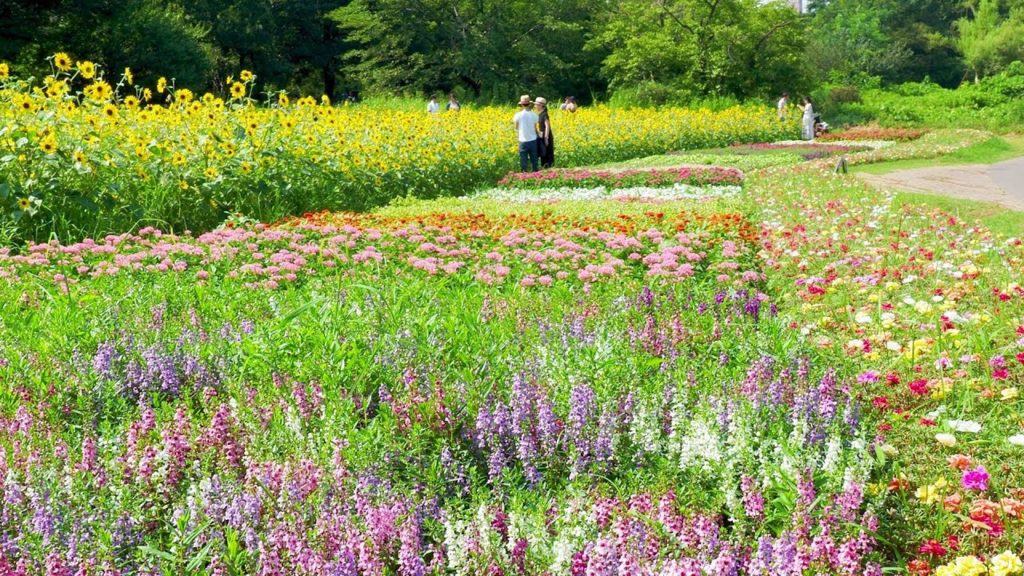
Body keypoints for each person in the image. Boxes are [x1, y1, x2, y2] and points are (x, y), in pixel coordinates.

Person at [512, 94, 540, 172]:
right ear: (529, 104)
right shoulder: (534, 115)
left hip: (522, 140)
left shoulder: (517, 115)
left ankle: (524, 176)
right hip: (533, 140)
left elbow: (516, 127)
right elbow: (535, 128)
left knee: (523, 160)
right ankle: (536, 175)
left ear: (521, 104)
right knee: (534, 160)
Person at [535, 97, 554, 168]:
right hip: (542, 135)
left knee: (547, 153)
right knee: (543, 153)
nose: (535, 106)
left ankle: (549, 169)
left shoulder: (544, 114)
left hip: (546, 136)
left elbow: (547, 126)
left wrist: (546, 137)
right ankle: (545, 168)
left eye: (536, 105)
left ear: (540, 105)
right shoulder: (540, 114)